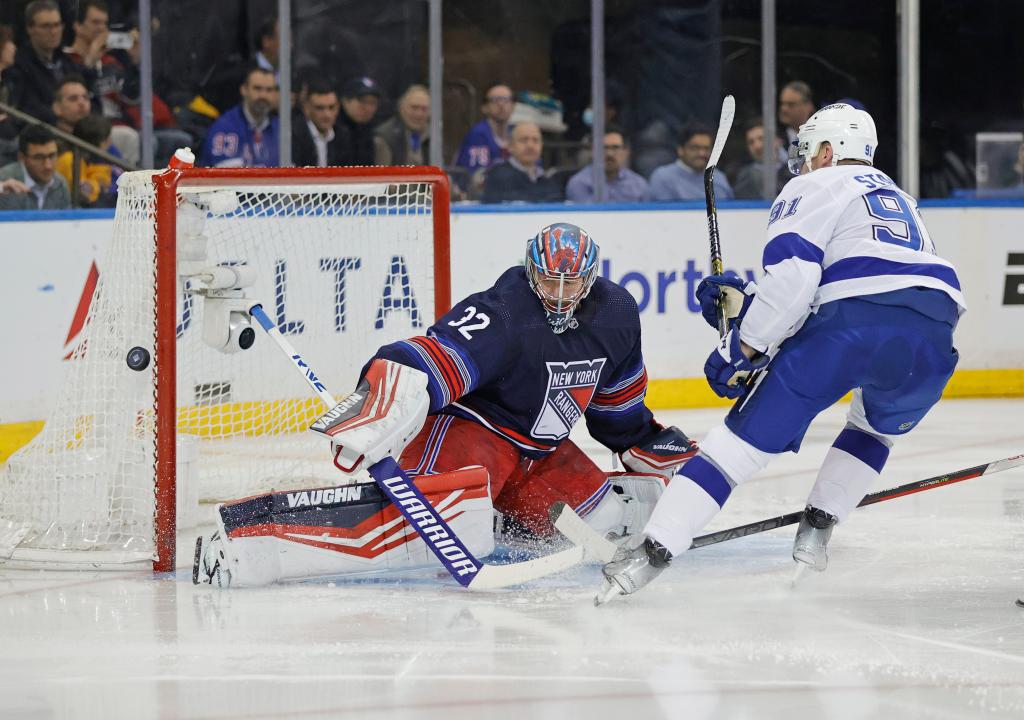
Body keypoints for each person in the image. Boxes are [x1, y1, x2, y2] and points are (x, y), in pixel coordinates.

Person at [193, 222, 699, 587]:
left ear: (590, 278)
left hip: (541, 453)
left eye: (571, 283)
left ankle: (500, 514)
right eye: (549, 280)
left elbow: (616, 401)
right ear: (532, 269)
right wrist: (379, 409)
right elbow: (428, 361)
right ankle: (249, 540)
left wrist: (641, 441)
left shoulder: (615, 314)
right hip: (473, 437)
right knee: (430, 531)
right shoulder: (505, 310)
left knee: (610, 523)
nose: (560, 293)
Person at [598, 103, 965, 604]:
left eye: (810, 151)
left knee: (735, 448)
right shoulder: (901, 198)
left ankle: (651, 551)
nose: (804, 162)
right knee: (873, 428)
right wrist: (746, 302)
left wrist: (742, 345)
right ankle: (818, 526)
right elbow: (853, 285)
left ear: (830, 150)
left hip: (852, 326)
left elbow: (796, 281)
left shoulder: (816, 184)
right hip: (936, 332)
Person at [3, 0, 88, 126]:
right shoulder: (19, 66)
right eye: (46, 26)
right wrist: (61, 118)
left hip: (80, 126)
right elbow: (27, 108)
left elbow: (90, 96)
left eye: (57, 25)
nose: (53, 32)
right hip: (45, 131)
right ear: (30, 28)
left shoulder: (69, 62)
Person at [199, 65, 279, 168]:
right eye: (257, 88)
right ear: (244, 90)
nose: (263, 95)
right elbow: (227, 179)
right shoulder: (224, 127)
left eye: (269, 90)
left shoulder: (281, 129)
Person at [646, 124, 734, 201]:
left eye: (706, 148)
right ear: (680, 150)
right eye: (695, 148)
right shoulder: (663, 178)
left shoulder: (719, 178)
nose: (702, 153)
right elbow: (662, 215)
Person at [481, 122, 563, 203]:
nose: (530, 145)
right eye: (523, 140)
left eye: (535, 140)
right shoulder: (497, 176)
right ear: (510, 146)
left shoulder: (548, 181)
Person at [565, 128, 648, 203]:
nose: (609, 154)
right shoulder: (579, 183)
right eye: (604, 148)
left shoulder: (639, 184)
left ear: (626, 152)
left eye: (615, 148)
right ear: (592, 152)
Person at [55, 113, 120, 207]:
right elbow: (85, 195)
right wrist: (99, 184)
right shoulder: (70, 159)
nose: (110, 142)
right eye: (106, 139)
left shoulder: (97, 158)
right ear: (95, 144)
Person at [0, 124, 70, 210]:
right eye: (39, 158)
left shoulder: (60, 184)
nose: (48, 166)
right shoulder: (4, 182)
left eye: (52, 156)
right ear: (22, 158)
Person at [453, 82, 513, 178]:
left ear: (513, 106)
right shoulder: (478, 135)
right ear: (484, 108)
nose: (501, 104)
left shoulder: (517, 134)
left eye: (506, 100)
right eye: (495, 100)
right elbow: (475, 176)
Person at [292, 80, 350, 167]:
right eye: (320, 108)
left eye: (331, 107)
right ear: (306, 109)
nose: (327, 115)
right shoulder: (293, 135)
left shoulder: (343, 136)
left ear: (338, 108)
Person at [732, 118, 788, 200]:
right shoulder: (745, 179)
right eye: (751, 142)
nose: (757, 146)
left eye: (761, 138)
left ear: (778, 141)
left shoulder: (798, 169)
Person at [374, 84, 430, 166]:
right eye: (414, 108)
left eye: (424, 109)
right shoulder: (385, 138)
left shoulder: (434, 136)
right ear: (402, 108)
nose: (419, 114)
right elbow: (382, 177)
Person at [339, 76, 382, 166]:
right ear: (345, 101)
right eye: (363, 101)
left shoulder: (370, 131)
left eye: (373, 103)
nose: (368, 108)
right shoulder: (331, 131)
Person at [779, 80, 815, 146]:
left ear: (808, 106)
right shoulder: (775, 138)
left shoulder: (821, 136)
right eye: (782, 103)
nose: (784, 109)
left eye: (791, 104)